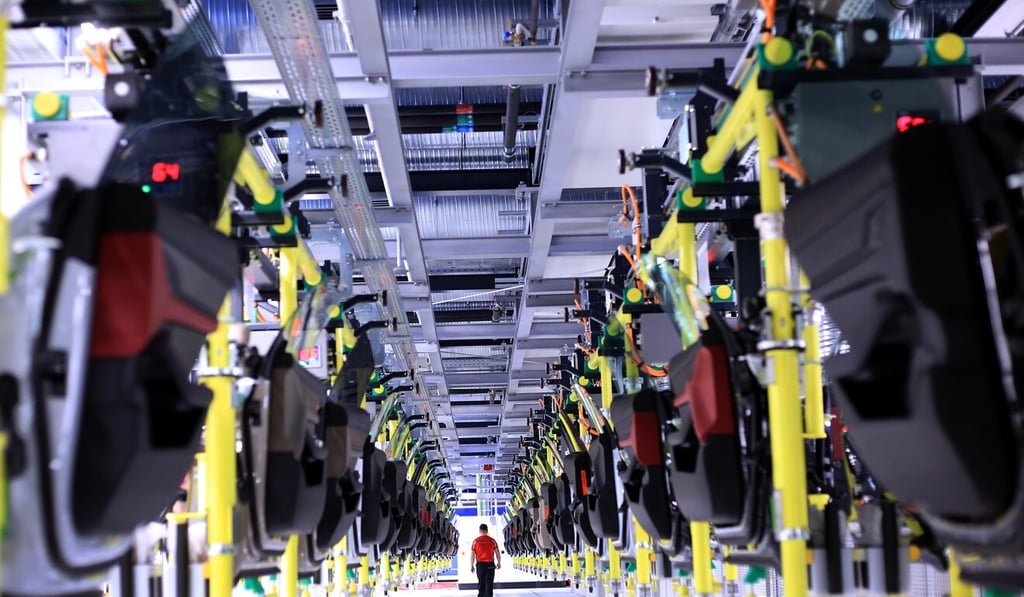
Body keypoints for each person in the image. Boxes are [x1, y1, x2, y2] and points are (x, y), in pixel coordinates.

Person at [470, 523, 501, 597]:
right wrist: (499, 562)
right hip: (490, 565)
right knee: (489, 584)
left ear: (480, 531)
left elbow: (472, 555)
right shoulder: (492, 541)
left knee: (481, 584)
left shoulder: (476, 541)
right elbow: (497, 553)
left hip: (480, 565)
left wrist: (471, 565)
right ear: (487, 531)